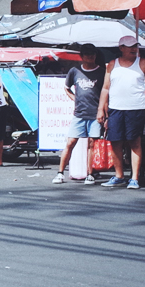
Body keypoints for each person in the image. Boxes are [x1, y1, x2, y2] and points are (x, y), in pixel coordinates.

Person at [95, 33, 145, 190]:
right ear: (121, 48)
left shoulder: (143, 63)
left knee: (135, 142)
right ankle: (119, 176)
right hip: (115, 109)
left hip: (135, 109)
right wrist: (101, 109)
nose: (134, 49)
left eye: (135, 46)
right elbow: (105, 88)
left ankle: (134, 178)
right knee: (115, 142)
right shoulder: (112, 64)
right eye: (130, 46)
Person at [55, 45, 106, 185]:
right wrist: (75, 100)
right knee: (70, 142)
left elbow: (106, 93)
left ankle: (90, 174)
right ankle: (60, 173)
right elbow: (66, 88)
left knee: (92, 144)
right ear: (82, 56)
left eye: (93, 54)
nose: (90, 57)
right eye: (87, 54)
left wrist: (104, 113)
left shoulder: (102, 72)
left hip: (95, 114)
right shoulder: (74, 71)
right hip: (79, 114)